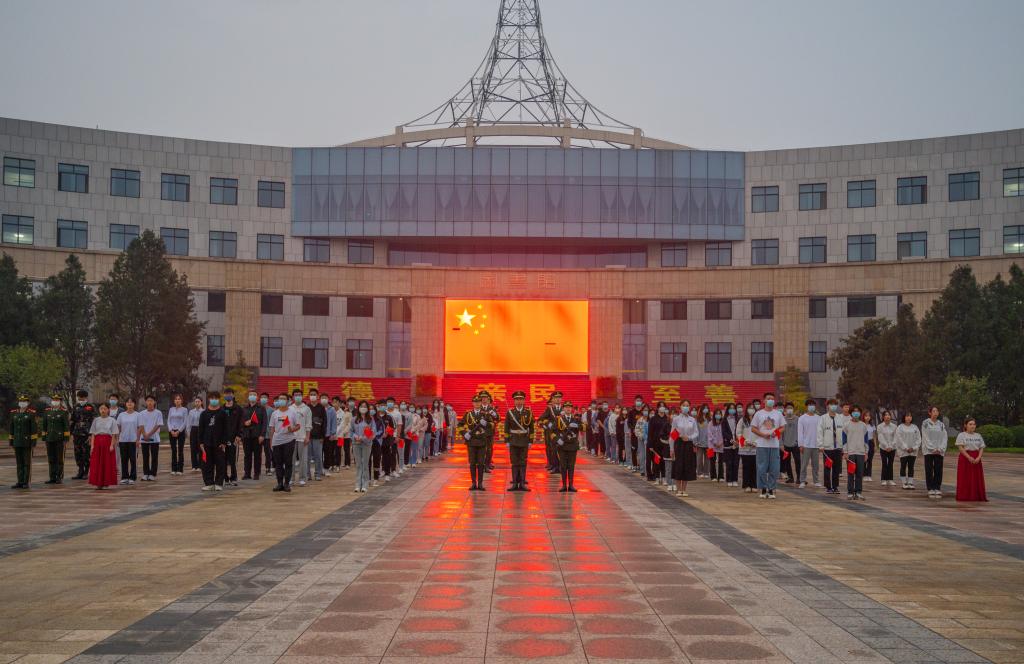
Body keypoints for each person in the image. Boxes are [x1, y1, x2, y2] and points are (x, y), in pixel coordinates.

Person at [751, 393, 785, 499]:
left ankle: (771, 489)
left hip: (774, 445)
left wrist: (776, 433)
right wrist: (763, 435)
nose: (770, 400)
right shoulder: (759, 414)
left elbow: (782, 427)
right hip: (762, 445)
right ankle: (763, 488)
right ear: (764, 401)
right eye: (768, 398)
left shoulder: (778, 414)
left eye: (772, 399)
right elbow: (753, 428)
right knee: (761, 468)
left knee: (774, 468)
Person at [267, 393, 300, 492]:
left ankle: (287, 484)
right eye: (280, 399)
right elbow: (272, 428)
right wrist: (271, 441)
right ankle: (279, 483)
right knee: (278, 463)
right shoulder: (275, 413)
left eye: (283, 399)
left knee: (288, 462)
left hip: (289, 440)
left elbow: (298, 426)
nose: (281, 400)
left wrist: (292, 429)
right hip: (277, 441)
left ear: (288, 401)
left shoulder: (292, 412)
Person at [198, 391, 229, 492]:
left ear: (219, 399)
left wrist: (224, 442)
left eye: (216, 398)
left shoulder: (223, 413)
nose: (214, 400)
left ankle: (219, 483)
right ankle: (209, 483)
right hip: (206, 442)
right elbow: (201, 429)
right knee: (206, 464)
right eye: (212, 398)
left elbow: (226, 429)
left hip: (219, 443)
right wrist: (201, 442)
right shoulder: (204, 414)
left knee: (220, 463)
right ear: (209, 399)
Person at [504, 390, 534, 491]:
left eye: (521, 399)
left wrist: (530, 441)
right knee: (514, 462)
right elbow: (506, 427)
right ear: (514, 401)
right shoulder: (510, 412)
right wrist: (507, 440)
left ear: (524, 401)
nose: (519, 401)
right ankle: (514, 483)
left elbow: (531, 428)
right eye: (517, 399)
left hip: (524, 440)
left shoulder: (528, 412)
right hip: (513, 440)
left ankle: (522, 483)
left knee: (523, 462)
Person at [462, 394, 493, 490]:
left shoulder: (485, 414)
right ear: (472, 403)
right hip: (471, 442)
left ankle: (480, 483)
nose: (477, 404)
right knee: (472, 463)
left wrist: (486, 424)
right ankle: (473, 483)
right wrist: (465, 433)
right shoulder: (468, 414)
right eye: (475, 402)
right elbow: (460, 425)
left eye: (479, 402)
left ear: (481, 402)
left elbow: (492, 425)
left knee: (481, 463)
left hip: (482, 441)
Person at [87, 402, 120, 489]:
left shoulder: (112, 420)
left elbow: (114, 434)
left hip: (107, 442)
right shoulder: (96, 420)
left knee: (107, 463)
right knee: (97, 463)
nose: (103, 410)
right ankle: (98, 482)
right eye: (101, 408)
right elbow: (93, 433)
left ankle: (106, 481)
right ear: (99, 410)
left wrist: (112, 445)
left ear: (108, 410)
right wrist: (92, 445)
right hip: (97, 442)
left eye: (105, 409)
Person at [670, 400, 699, 496]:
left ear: (689, 407)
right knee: (678, 465)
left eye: (687, 405)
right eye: (684, 405)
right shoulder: (676, 419)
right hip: (679, 443)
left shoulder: (692, 419)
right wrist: (671, 448)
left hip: (688, 444)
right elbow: (672, 434)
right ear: (680, 407)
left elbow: (696, 432)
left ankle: (684, 490)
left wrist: (689, 437)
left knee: (687, 465)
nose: (685, 407)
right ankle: (678, 489)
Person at [9, 395, 38, 489]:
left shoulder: (31, 414)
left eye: (24, 401)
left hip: (26, 442)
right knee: (19, 463)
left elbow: (33, 429)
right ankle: (20, 481)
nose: (22, 403)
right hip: (17, 441)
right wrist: (11, 441)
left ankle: (26, 481)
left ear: (28, 403)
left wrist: (33, 443)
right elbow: (11, 428)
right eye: (21, 401)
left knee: (26, 463)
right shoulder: (14, 413)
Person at [955, 417, 987, 502]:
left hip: (976, 458)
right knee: (965, 478)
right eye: (970, 424)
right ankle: (965, 495)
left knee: (976, 478)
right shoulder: (961, 435)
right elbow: (960, 448)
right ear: (965, 425)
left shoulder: (978, 435)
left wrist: (979, 457)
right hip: (965, 458)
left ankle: (976, 495)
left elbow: (981, 447)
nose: (973, 426)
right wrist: (969, 457)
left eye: (974, 424)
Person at [41, 394, 70, 484]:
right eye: (54, 400)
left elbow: (66, 426)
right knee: (51, 458)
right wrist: (44, 437)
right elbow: (44, 425)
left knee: (59, 459)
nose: (55, 401)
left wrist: (66, 439)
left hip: (59, 438)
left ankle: (59, 476)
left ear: (60, 401)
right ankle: (52, 477)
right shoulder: (47, 411)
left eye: (57, 400)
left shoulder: (63, 412)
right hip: (49, 438)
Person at [842, 405, 870, 500]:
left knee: (859, 474)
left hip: (861, 453)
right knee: (851, 473)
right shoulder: (846, 425)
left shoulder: (863, 425)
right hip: (850, 453)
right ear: (851, 413)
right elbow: (844, 440)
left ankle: (858, 492)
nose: (856, 413)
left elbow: (866, 440)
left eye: (858, 411)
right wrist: (845, 452)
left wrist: (866, 452)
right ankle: (850, 492)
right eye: (854, 411)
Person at [817, 398, 844, 495]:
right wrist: (820, 445)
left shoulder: (840, 418)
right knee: (827, 467)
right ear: (828, 406)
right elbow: (819, 432)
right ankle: (828, 487)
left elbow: (844, 432)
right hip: (827, 447)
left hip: (838, 447)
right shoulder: (823, 418)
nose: (833, 406)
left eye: (835, 404)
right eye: (831, 404)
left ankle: (835, 486)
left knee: (837, 468)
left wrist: (844, 446)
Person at [921, 406, 948, 499]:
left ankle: (937, 487)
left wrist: (940, 448)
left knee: (938, 470)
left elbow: (944, 437)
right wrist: (932, 448)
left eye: (937, 411)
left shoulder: (941, 424)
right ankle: (930, 488)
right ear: (930, 413)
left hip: (939, 451)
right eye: (933, 411)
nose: (935, 412)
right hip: (929, 451)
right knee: (929, 470)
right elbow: (925, 437)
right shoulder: (925, 423)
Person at [69, 390, 96, 480]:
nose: (80, 399)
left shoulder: (91, 407)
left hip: (87, 434)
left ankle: (86, 472)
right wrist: (70, 432)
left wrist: (91, 434)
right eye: (79, 397)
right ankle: (80, 471)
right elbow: (72, 420)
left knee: (86, 453)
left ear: (85, 397)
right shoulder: (76, 406)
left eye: (82, 397)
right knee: (78, 453)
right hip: (77, 433)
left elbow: (94, 421)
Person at [240, 390, 267, 480]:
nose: (252, 396)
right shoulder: (244, 408)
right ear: (248, 397)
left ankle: (256, 473)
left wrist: (262, 435)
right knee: (247, 455)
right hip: (246, 435)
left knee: (257, 456)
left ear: (257, 397)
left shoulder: (261, 408)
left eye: (254, 395)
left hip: (257, 435)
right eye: (250, 395)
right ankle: (247, 473)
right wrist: (244, 423)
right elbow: (240, 422)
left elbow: (264, 423)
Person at [351, 400, 376, 492]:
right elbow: (351, 431)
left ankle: (365, 484)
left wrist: (363, 438)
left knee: (365, 464)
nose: (363, 408)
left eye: (365, 406)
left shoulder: (371, 419)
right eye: (361, 406)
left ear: (367, 409)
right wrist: (355, 437)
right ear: (358, 408)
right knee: (358, 464)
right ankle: (358, 484)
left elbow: (373, 432)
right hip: (356, 443)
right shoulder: (354, 419)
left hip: (366, 444)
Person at [555, 400, 580, 492]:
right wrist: (558, 439)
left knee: (571, 466)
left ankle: (571, 485)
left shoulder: (576, 419)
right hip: (562, 446)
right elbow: (553, 432)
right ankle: (564, 485)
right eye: (566, 407)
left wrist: (578, 426)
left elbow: (584, 427)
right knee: (563, 466)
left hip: (572, 445)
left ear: (572, 409)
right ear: (563, 409)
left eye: (569, 407)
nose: (568, 409)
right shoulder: (559, 419)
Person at [538, 391, 565, 475]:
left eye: (559, 398)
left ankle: (562, 467)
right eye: (556, 398)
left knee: (563, 450)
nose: (558, 399)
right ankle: (555, 467)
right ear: (553, 399)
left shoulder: (565, 408)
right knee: (554, 450)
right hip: (553, 433)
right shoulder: (550, 409)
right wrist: (548, 424)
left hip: (563, 433)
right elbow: (541, 418)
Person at [138, 395, 164, 481]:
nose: (150, 402)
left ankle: (152, 473)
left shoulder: (158, 413)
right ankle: (146, 473)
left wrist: (149, 434)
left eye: (151, 401)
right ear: (145, 402)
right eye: (148, 401)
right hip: (144, 438)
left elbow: (158, 425)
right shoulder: (141, 413)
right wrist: (144, 434)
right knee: (145, 456)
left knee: (154, 457)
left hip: (154, 438)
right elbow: (141, 425)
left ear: (154, 402)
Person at [115, 397, 140, 484]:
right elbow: (118, 427)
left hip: (133, 440)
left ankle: (132, 477)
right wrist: (117, 439)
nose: (130, 404)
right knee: (124, 459)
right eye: (128, 402)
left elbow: (140, 428)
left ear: (134, 404)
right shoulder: (121, 415)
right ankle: (124, 477)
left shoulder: (138, 415)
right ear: (125, 404)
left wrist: (138, 439)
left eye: (131, 402)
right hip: (123, 440)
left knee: (133, 459)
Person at [221, 388, 243, 486]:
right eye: (226, 394)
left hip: (234, 437)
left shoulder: (238, 409)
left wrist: (239, 435)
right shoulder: (221, 409)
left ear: (233, 395)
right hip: (223, 438)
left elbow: (241, 423)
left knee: (233, 459)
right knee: (223, 459)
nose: (228, 395)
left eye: (229, 394)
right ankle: (225, 478)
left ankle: (234, 477)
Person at [797, 399, 821, 488]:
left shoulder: (818, 418)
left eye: (813, 405)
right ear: (806, 406)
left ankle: (816, 481)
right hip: (805, 445)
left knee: (816, 465)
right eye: (810, 405)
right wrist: (801, 444)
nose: (811, 406)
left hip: (816, 445)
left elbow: (820, 432)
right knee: (804, 465)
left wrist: (820, 444)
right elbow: (800, 432)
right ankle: (802, 481)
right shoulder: (802, 418)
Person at [291, 389, 312, 486]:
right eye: (296, 395)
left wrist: (307, 436)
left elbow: (308, 424)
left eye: (299, 395)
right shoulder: (290, 408)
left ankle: (302, 478)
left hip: (302, 437)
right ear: (293, 397)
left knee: (303, 459)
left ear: (302, 396)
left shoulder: (306, 409)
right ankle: (291, 478)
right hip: (291, 437)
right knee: (291, 459)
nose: (297, 396)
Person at [647, 402, 671, 486]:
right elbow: (650, 432)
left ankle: (664, 478)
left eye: (663, 406)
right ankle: (657, 477)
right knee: (656, 461)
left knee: (664, 461)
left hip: (665, 443)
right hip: (655, 443)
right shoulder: (653, 419)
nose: (662, 408)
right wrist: (650, 444)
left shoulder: (667, 418)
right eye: (660, 406)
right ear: (657, 408)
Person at [896, 412, 921, 489]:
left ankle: (910, 482)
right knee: (903, 466)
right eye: (907, 416)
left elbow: (918, 439)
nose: (909, 417)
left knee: (911, 466)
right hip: (903, 451)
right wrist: (906, 448)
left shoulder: (915, 427)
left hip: (913, 451)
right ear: (904, 417)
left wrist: (914, 448)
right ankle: (904, 483)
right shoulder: (900, 427)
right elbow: (899, 439)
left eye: (910, 416)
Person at [307, 388, 327, 481]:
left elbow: (324, 423)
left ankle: (318, 473)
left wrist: (323, 436)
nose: (312, 396)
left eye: (314, 394)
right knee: (307, 457)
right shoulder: (306, 407)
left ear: (317, 396)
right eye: (311, 394)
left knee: (318, 456)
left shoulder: (321, 408)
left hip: (318, 436)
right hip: (307, 436)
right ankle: (307, 474)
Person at [738, 402, 758, 492]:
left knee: (754, 467)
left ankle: (754, 485)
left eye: (753, 408)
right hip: (745, 447)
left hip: (755, 447)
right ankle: (746, 485)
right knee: (746, 466)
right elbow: (738, 432)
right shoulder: (742, 420)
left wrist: (756, 443)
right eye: (750, 408)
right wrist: (744, 441)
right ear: (746, 409)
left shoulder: (757, 420)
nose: (751, 410)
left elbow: (760, 432)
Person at [167, 394, 189, 476]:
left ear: (181, 401)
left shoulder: (184, 410)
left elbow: (185, 421)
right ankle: (174, 469)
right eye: (176, 399)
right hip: (172, 431)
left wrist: (179, 431)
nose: (177, 400)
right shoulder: (171, 409)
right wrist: (170, 430)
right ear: (174, 401)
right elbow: (168, 420)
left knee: (180, 450)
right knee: (173, 450)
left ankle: (180, 469)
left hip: (180, 431)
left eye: (179, 399)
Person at [720, 403, 740, 487]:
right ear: (727, 410)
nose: (732, 410)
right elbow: (724, 432)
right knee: (729, 462)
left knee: (736, 463)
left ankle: (735, 479)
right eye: (730, 408)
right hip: (728, 443)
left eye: (733, 408)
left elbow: (740, 431)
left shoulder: (738, 419)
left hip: (737, 443)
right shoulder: (724, 420)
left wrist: (737, 440)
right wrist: (731, 440)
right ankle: (729, 479)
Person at [876, 411, 898, 486]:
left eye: (889, 415)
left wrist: (891, 446)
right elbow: (880, 437)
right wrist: (886, 446)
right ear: (883, 417)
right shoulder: (880, 426)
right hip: (883, 448)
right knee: (884, 463)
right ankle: (883, 479)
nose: (887, 416)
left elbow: (895, 437)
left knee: (891, 463)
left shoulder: (894, 426)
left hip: (892, 448)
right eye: (885, 415)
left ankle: (890, 479)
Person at [781, 402, 800, 484]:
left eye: (791, 408)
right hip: (786, 445)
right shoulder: (782, 419)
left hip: (796, 444)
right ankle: (790, 477)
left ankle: (799, 478)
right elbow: (780, 433)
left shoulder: (798, 419)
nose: (789, 409)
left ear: (793, 409)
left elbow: (801, 431)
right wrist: (781, 444)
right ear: (785, 409)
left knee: (798, 461)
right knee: (787, 462)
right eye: (788, 408)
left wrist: (799, 442)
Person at [187, 396, 204, 473]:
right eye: (196, 402)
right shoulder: (191, 412)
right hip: (193, 430)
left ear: (201, 402)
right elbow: (188, 423)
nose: (197, 403)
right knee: (193, 448)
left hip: (200, 429)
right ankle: (194, 466)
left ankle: (201, 465)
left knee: (200, 448)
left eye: (198, 401)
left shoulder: (204, 411)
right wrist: (188, 433)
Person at [694, 407, 710, 479]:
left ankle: (706, 472)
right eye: (704, 408)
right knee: (699, 458)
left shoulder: (710, 419)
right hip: (699, 442)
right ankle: (699, 472)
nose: (705, 410)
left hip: (708, 443)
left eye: (707, 408)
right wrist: (695, 441)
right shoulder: (697, 420)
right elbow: (695, 431)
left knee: (708, 458)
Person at [862, 411, 876, 483]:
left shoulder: (872, 425)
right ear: (863, 417)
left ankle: (869, 475)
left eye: (869, 416)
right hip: (863, 443)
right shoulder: (861, 425)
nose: (867, 417)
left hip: (871, 443)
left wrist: (875, 445)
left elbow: (874, 436)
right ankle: (864, 475)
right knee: (864, 459)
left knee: (870, 460)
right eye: (866, 416)